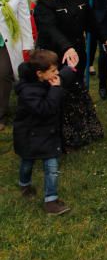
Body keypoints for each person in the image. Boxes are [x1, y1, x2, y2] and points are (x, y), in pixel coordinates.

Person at [30, 0, 107, 149]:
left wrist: (105, 38)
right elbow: (50, 29)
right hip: (52, 56)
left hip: (76, 52)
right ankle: (54, 138)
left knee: (75, 91)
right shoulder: (44, 2)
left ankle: (78, 133)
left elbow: (91, 22)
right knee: (54, 94)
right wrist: (67, 47)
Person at [13, 49, 70, 215]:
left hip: (48, 134)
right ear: (39, 73)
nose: (57, 73)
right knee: (27, 163)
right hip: (29, 136)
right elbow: (44, 109)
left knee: (51, 166)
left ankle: (51, 200)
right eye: (53, 71)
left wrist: (70, 69)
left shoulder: (47, 81)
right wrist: (55, 90)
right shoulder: (28, 92)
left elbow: (62, 84)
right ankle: (24, 184)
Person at [0, 0, 34, 131]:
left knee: (4, 74)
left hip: (8, 41)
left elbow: (24, 17)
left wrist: (27, 43)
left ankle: (1, 115)